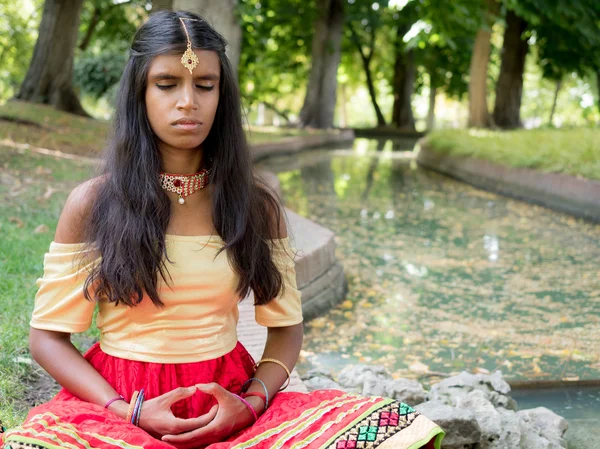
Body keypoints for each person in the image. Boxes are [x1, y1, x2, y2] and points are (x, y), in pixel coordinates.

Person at [1, 10, 444, 449]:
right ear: (139, 92)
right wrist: (127, 411)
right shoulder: (94, 204)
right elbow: (48, 337)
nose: (188, 101)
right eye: (167, 84)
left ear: (222, 94)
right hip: (122, 405)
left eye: (205, 85)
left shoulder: (253, 205)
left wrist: (251, 403)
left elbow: (286, 329)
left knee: (389, 430)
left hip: (231, 403)